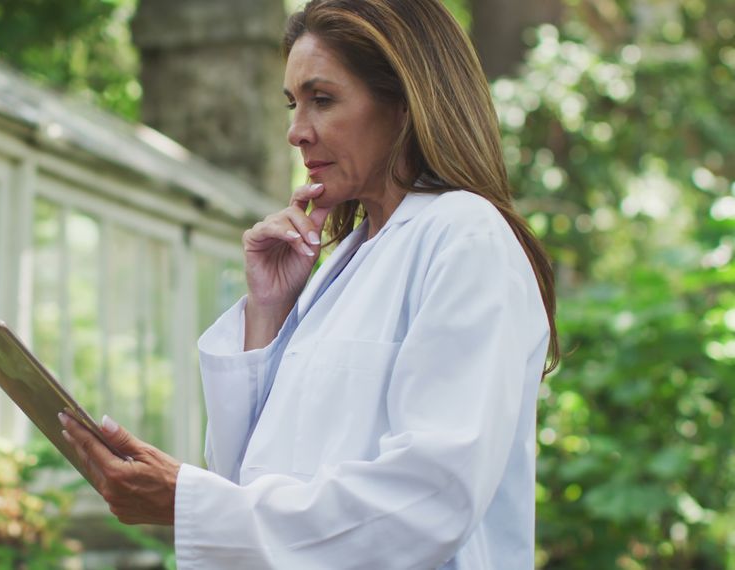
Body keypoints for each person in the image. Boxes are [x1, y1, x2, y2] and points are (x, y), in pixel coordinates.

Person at [59, 0, 561, 567]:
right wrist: (270, 311)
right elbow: (253, 474)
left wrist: (190, 502)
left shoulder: (465, 237)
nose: (297, 132)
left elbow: (430, 499)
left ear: (405, 103)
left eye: (322, 100)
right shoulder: (346, 260)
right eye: (293, 104)